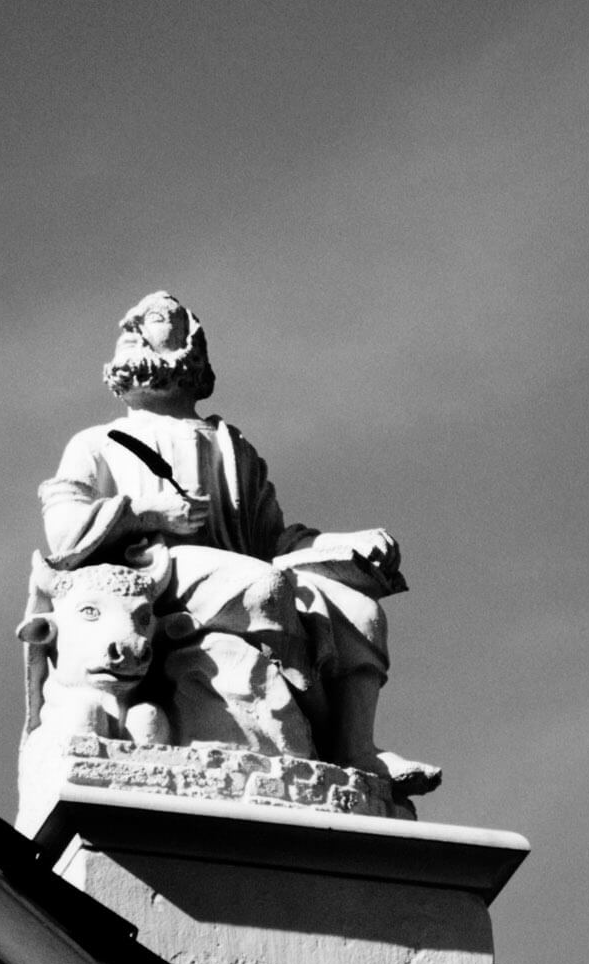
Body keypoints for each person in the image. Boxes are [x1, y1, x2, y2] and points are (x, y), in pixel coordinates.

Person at [37, 290, 439, 789]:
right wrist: (147, 512)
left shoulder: (233, 445)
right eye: (140, 321)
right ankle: (284, 709)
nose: (135, 325)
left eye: (159, 317)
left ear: (193, 346)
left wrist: (345, 548)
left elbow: (276, 539)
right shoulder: (97, 442)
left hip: (240, 567)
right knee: (265, 587)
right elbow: (64, 529)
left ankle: (357, 750)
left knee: (361, 612)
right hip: (157, 572)